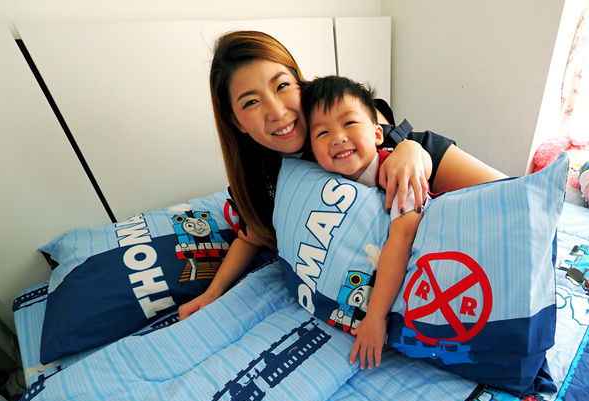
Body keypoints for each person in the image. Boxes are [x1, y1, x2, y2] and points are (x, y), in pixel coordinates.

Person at [178, 30, 506, 321]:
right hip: (400, 236)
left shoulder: (335, 114)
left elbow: (378, 125)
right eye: (251, 102)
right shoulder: (262, 177)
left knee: (513, 201)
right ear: (236, 121)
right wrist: (213, 292)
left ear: (299, 83)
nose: (277, 111)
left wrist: (410, 150)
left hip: (413, 162)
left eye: (282, 86)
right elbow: (252, 233)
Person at [302, 75, 429, 369]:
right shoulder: (323, 185)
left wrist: (375, 316)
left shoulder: (396, 173)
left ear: (377, 134)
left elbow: (402, 240)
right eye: (322, 132)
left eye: (349, 123)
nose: (337, 137)